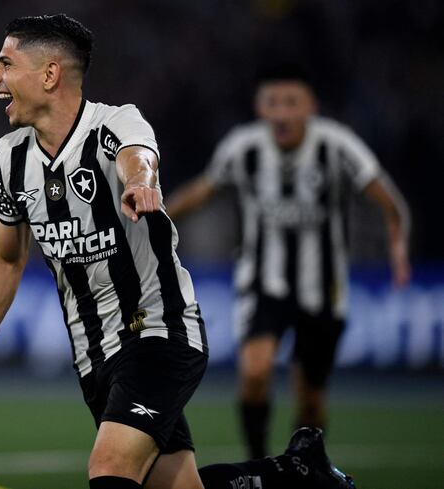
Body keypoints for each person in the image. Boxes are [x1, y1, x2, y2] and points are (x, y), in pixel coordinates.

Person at [0, 14, 355, 489]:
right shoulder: (7, 160)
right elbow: (8, 259)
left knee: (110, 467)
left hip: (158, 330)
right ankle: (296, 472)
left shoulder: (114, 123)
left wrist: (139, 182)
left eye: (5, 64)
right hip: (95, 354)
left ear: (49, 74)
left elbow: (138, 154)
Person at [166, 63, 411, 460]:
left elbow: (388, 201)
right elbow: (204, 189)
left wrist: (398, 246)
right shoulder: (242, 147)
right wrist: (159, 217)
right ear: (260, 107)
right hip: (263, 282)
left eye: (291, 102)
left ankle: (303, 466)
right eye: (272, 102)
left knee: (311, 398)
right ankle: (260, 462)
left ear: (310, 106)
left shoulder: (337, 145)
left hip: (324, 288)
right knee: (255, 372)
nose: (281, 112)